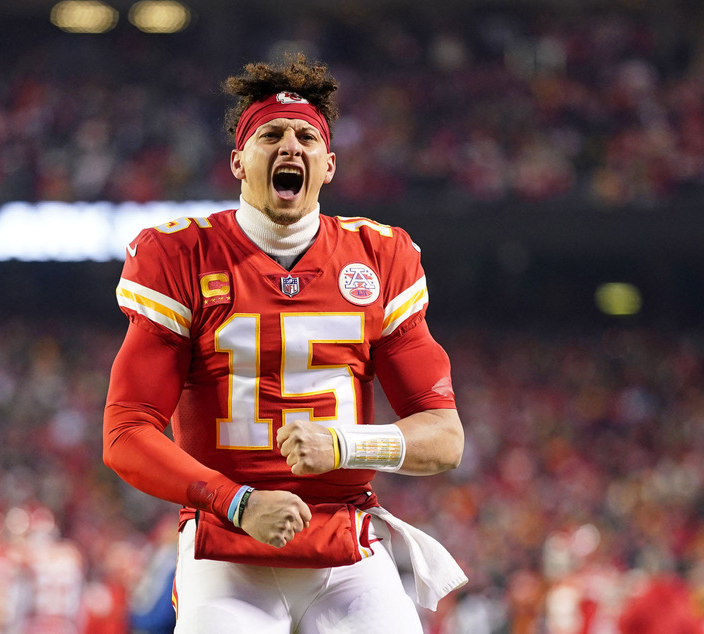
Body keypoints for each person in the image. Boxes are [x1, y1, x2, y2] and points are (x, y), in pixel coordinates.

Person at [102, 53, 467, 633]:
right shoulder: (180, 254)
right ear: (238, 161)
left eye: (306, 136)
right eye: (270, 134)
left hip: (345, 543)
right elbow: (126, 432)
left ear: (328, 166)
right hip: (226, 548)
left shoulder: (379, 255)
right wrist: (238, 502)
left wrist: (346, 445)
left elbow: (444, 437)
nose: (290, 145)